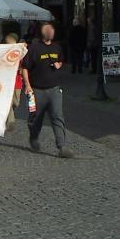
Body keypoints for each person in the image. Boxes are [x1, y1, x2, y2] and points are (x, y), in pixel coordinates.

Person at [22, 23, 73, 158]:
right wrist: (27, 85)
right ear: (43, 33)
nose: (51, 32)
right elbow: (25, 67)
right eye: (48, 30)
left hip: (54, 89)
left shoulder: (57, 47)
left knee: (57, 117)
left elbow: (62, 60)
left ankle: (62, 147)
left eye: (52, 30)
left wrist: (59, 64)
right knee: (35, 119)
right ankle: (33, 137)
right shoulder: (34, 48)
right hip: (37, 90)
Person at [4, 33, 26, 131]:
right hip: (7, 81)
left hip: (17, 80)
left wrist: (21, 68)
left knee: (16, 102)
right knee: (8, 100)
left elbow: (24, 64)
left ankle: (10, 112)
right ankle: (10, 120)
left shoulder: (19, 51)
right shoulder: (4, 52)